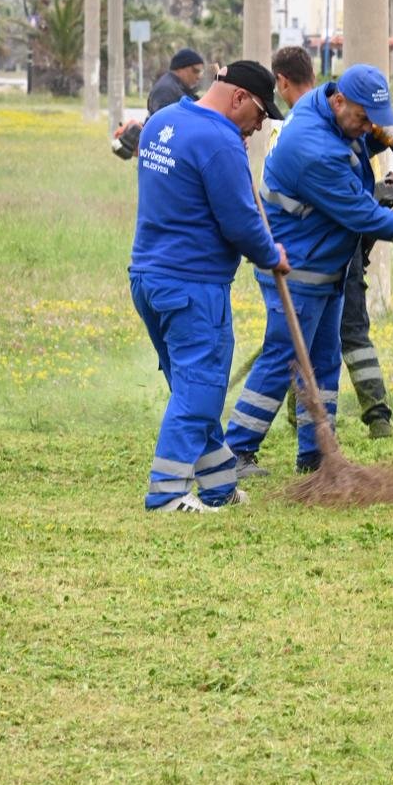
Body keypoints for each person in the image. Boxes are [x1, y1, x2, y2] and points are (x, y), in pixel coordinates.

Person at [224, 64, 393, 476]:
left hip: (325, 265)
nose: (367, 127)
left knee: (325, 360)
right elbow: (366, 217)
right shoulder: (312, 149)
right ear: (338, 101)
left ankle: (315, 455)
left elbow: (351, 149)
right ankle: (238, 450)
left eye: (375, 120)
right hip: (297, 265)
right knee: (283, 358)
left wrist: (374, 140)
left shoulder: (323, 107)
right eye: (363, 119)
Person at [128, 60, 288, 512]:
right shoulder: (220, 142)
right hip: (193, 285)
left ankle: (219, 486)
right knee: (199, 390)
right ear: (238, 98)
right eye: (259, 114)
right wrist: (271, 254)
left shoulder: (163, 122)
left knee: (192, 390)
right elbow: (240, 222)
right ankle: (167, 494)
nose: (258, 128)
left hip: (148, 279)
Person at [147, 47, 207, 115]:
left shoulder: (180, 88)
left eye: (200, 72)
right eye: (195, 71)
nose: (199, 77)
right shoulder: (165, 90)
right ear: (180, 69)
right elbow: (165, 122)